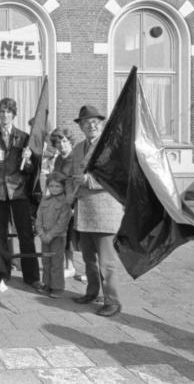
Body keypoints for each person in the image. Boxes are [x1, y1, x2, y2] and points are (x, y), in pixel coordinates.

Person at [0, 97, 41, 289]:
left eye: (8, 112)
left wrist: (28, 160)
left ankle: (32, 276)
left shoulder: (24, 137)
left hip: (18, 192)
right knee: (1, 235)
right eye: (2, 112)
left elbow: (30, 170)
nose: (5, 115)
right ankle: (3, 273)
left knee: (25, 234)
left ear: (14, 115)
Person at [71, 105, 124, 317]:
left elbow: (116, 176)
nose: (91, 126)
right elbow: (72, 174)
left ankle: (112, 301)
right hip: (84, 211)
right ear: (81, 127)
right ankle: (92, 292)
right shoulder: (78, 148)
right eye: (86, 123)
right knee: (88, 259)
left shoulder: (110, 147)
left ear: (101, 125)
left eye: (95, 122)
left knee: (106, 262)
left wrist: (88, 180)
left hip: (105, 211)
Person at [48, 127, 80, 278]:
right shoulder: (59, 158)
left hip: (72, 201)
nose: (61, 145)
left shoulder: (75, 158)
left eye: (65, 141)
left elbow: (76, 182)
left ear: (70, 142)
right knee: (64, 234)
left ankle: (72, 266)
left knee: (73, 236)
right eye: (58, 142)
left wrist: (73, 204)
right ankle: (69, 265)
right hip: (60, 201)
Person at [35, 171, 72, 298]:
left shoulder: (65, 202)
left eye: (57, 186)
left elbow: (62, 222)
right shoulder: (44, 200)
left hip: (57, 238)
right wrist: (41, 232)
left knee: (56, 262)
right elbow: (38, 217)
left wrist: (50, 235)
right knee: (46, 261)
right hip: (44, 236)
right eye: (51, 186)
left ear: (63, 187)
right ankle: (47, 284)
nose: (54, 188)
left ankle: (57, 287)